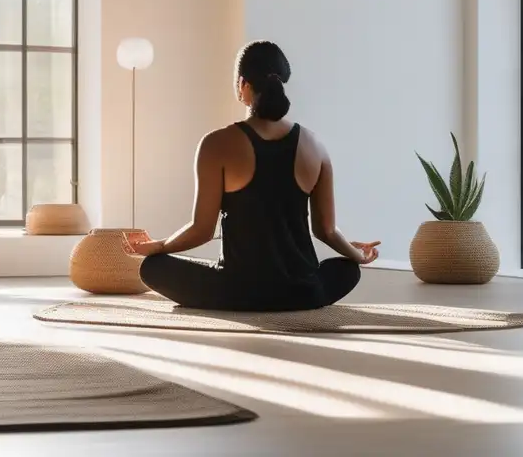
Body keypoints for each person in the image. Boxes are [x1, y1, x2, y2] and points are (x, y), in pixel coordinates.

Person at [128, 40, 380, 312]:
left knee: (154, 267)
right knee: (348, 269)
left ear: (242, 84)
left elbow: (202, 230)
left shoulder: (216, 144)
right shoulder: (315, 145)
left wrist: (160, 246)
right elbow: (326, 231)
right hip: (301, 292)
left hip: (236, 293)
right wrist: (358, 255)